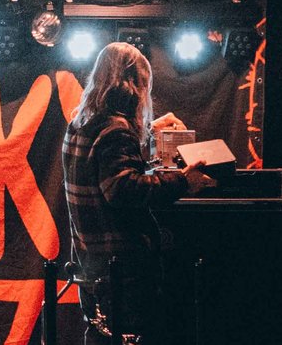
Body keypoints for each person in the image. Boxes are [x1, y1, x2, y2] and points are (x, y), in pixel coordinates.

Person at [60, 41, 214, 328]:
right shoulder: (116, 129)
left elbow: (106, 167)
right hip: (122, 267)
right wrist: (183, 181)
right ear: (134, 83)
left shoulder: (80, 123)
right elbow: (122, 188)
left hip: (90, 261)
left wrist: (149, 130)